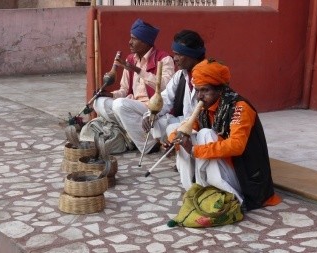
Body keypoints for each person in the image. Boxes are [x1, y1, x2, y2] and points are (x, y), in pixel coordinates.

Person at [168, 58, 281, 211]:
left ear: (220, 90)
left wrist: (195, 151)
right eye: (198, 90)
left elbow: (236, 146)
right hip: (226, 170)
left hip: (246, 177)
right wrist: (174, 139)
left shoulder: (240, 107)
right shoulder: (205, 106)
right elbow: (189, 126)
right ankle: (194, 190)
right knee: (182, 134)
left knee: (205, 135)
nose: (199, 96)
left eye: (205, 90)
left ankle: (234, 198)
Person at [93, 18, 175, 154]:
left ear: (145, 42)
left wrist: (138, 70)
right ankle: (131, 133)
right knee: (99, 102)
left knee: (120, 105)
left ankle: (148, 145)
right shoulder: (131, 59)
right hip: (133, 106)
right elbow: (124, 90)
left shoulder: (164, 59)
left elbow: (165, 87)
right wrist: (110, 94)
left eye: (134, 39)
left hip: (152, 108)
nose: (129, 42)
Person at [142, 30, 205, 145]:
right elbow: (165, 98)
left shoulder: (207, 77)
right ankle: (166, 146)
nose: (174, 59)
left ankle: (183, 152)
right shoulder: (180, 75)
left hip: (200, 125)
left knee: (172, 129)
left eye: (179, 54)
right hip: (184, 120)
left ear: (192, 55)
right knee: (155, 122)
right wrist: (151, 114)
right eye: (174, 54)